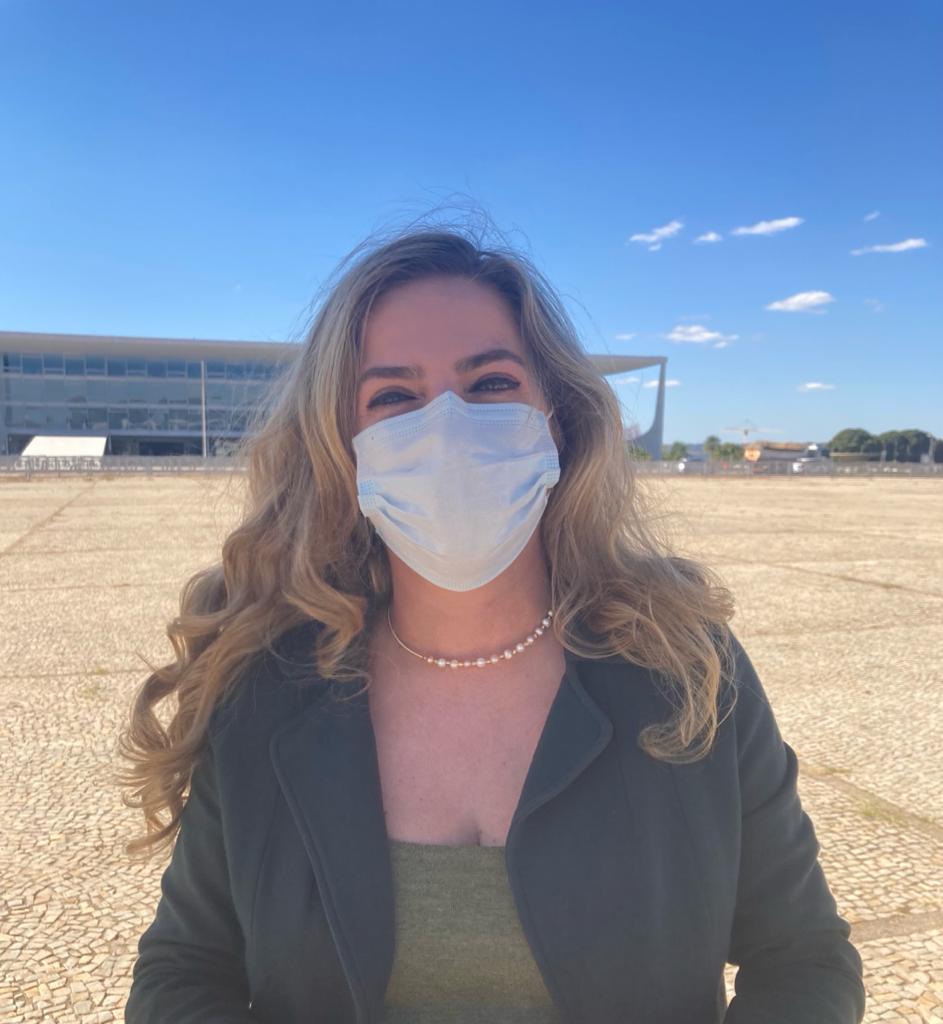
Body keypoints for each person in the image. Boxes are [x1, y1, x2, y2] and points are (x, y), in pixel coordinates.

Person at [119, 221, 866, 1023]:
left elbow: (802, 959)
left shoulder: (685, 666)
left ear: (559, 419)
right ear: (341, 445)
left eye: (490, 383)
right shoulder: (263, 684)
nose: (446, 426)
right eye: (393, 397)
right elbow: (183, 971)